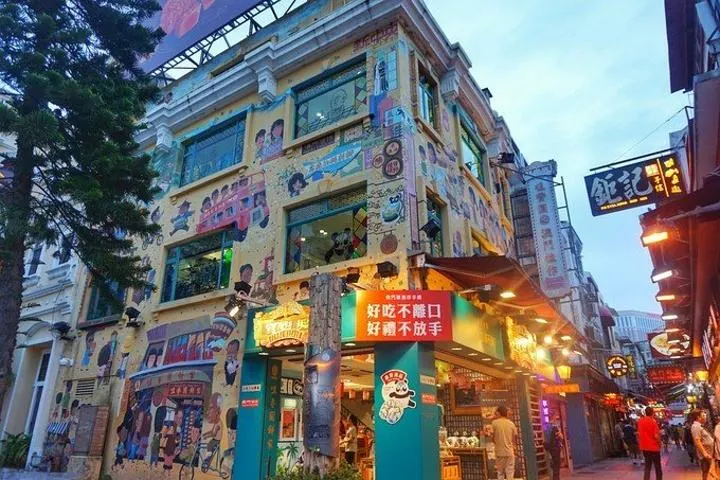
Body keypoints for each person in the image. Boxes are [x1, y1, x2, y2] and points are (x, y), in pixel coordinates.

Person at [492, 406, 518, 480]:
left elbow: (492, 438)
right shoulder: (511, 424)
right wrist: (513, 447)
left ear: (499, 413)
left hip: (499, 452)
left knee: (500, 473)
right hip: (510, 452)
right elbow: (515, 438)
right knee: (510, 473)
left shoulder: (494, 423)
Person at [638, 407, 662, 480]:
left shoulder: (640, 421)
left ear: (645, 413)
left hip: (645, 447)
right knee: (657, 466)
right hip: (654, 447)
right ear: (652, 413)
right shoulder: (653, 422)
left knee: (647, 466)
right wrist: (660, 443)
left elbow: (639, 433)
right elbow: (656, 435)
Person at [690, 410, 715, 480]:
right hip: (707, 454)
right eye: (703, 415)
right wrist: (705, 454)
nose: (705, 417)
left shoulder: (699, 426)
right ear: (698, 417)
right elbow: (697, 441)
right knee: (708, 471)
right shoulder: (696, 427)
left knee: (707, 472)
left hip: (709, 453)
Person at [544, 416, 564, 480]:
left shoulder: (546, 428)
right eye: (557, 419)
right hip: (556, 449)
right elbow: (561, 437)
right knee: (556, 466)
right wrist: (560, 434)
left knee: (553, 465)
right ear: (553, 419)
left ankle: (554, 478)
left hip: (550, 449)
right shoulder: (555, 428)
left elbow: (546, 439)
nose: (557, 421)